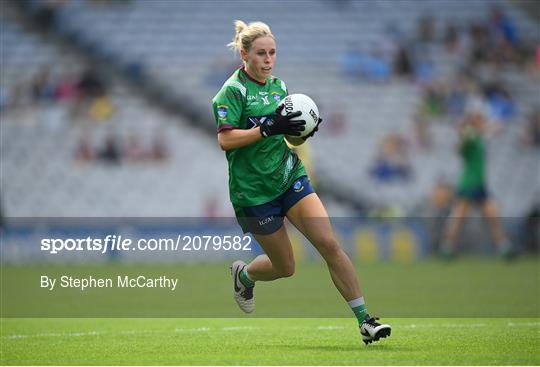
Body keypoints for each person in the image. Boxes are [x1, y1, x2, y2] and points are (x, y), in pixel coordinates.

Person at [212, 20, 391, 345]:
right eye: (261, 54)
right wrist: (265, 129)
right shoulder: (231, 92)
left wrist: (301, 129)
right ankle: (245, 274)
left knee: (329, 244)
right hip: (253, 194)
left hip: (289, 176)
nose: (268, 60)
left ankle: (366, 320)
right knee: (286, 266)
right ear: (244, 54)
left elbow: (287, 135)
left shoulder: (279, 87)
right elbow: (226, 141)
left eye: (273, 53)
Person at [440, 108, 513, 258]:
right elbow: (459, 148)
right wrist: (466, 134)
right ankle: (447, 248)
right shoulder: (470, 137)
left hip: (480, 184)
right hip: (468, 184)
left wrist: (491, 126)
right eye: (479, 119)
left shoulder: (479, 138)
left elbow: (493, 129)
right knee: (459, 218)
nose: (482, 121)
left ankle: (504, 247)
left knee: (493, 215)